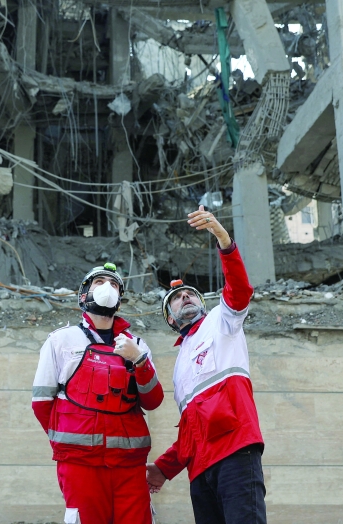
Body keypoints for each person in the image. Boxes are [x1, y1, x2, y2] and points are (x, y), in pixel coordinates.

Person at [145, 205, 266, 524]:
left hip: (236, 451)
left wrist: (223, 239)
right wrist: (165, 468)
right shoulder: (180, 364)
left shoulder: (222, 321)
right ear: (170, 318)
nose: (185, 298)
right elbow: (190, 427)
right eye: (177, 299)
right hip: (200, 468)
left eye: (191, 296)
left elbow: (239, 290)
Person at [32, 262, 164, 524]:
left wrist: (139, 361)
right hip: (80, 465)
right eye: (99, 282)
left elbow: (153, 400)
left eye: (114, 284)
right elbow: (41, 403)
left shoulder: (136, 345)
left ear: (119, 299)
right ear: (84, 294)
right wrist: (70, 443)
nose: (108, 288)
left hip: (129, 465)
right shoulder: (60, 341)